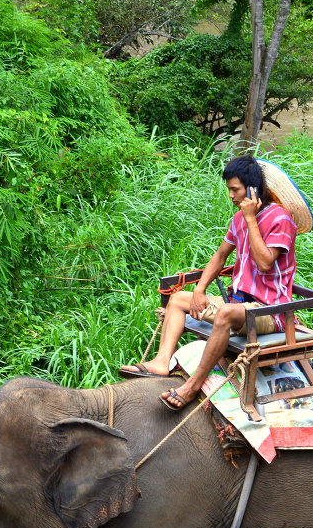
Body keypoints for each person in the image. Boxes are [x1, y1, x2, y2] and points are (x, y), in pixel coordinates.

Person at [120, 155, 299, 410]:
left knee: (226, 313)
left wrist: (251, 219)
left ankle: (193, 386)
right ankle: (161, 361)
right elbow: (220, 255)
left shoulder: (279, 218)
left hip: (269, 312)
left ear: (252, 189)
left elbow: (265, 263)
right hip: (240, 304)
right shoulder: (238, 220)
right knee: (178, 299)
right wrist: (199, 290)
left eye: (235, 190)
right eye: (229, 190)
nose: (231, 196)